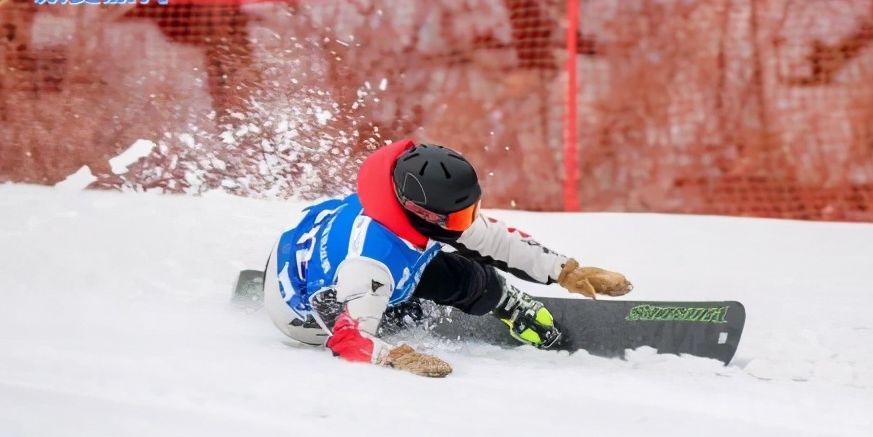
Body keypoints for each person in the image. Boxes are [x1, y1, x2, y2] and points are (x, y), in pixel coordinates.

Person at [263, 139, 632, 376]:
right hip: (302, 315)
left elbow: (495, 241)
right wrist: (395, 357)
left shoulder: (408, 206)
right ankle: (408, 310)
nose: (467, 224)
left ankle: (502, 301)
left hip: (311, 242)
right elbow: (349, 340)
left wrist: (565, 271)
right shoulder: (369, 266)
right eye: (458, 218)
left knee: (473, 277)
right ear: (421, 212)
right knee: (406, 308)